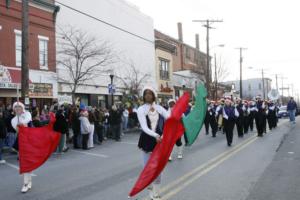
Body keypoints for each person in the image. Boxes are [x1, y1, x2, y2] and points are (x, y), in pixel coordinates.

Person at [137, 86, 169, 200]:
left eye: (150, 93)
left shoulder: (160, 108)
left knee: (158, 168)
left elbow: (170, 120)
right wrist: (155, 135)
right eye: (146, 93)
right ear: (144, 96)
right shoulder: (141, 109)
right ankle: (150, 194)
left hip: (160, 141)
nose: (148, 95)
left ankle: (156, 194)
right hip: (147, 140)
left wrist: (164, 135)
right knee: (147, 168)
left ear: (154, 95)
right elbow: (144, 127)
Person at [11, 102, 32, 193]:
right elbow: (18, 130)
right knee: (24, 163)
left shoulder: (27, 114)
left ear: (22, 108)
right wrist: (19, 124)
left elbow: (27, 122)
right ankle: (26, 183)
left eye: (19, 107)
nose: (17, 108)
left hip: (31, 141)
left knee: (28, 163)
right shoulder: (13, 120)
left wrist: (22, 122)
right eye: (15, 107)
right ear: (14, 109)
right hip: (22, 143)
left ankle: (28, 182)